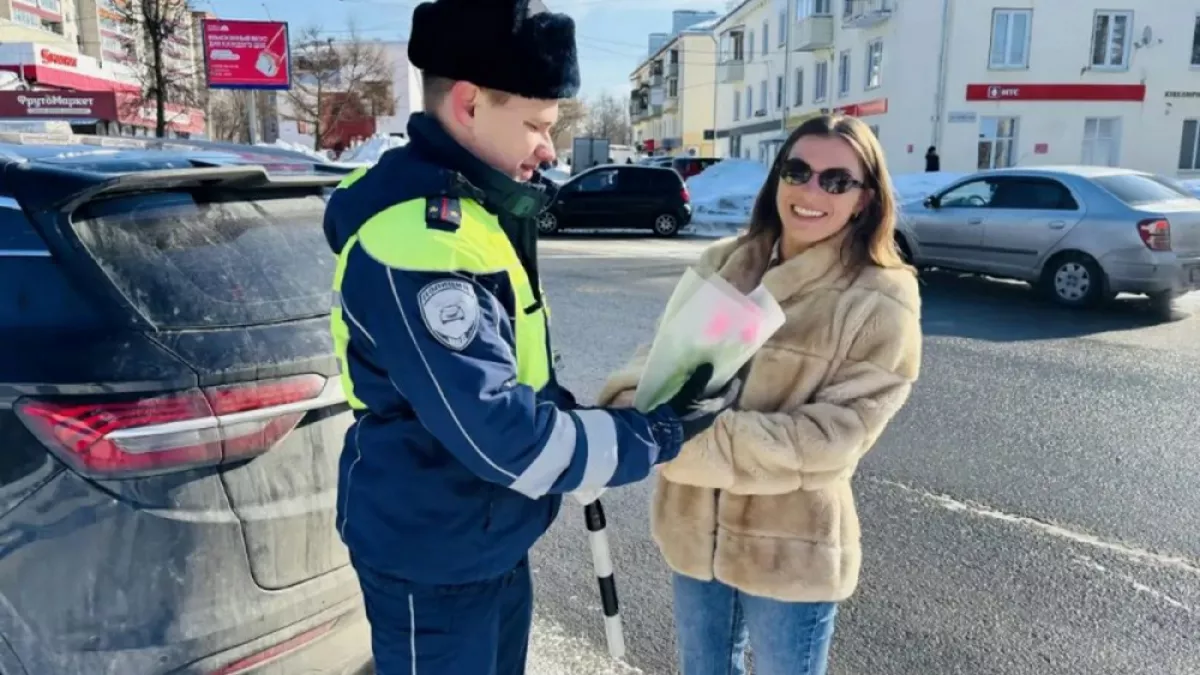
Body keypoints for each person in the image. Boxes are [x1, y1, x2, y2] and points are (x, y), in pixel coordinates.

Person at [322, 1, 737, 673]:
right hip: (435, 560)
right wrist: (656, 432)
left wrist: (589, 419)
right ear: (468, 104)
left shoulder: (473, 209)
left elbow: (515, 383)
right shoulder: (418, 241)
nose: (549, 147)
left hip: (482, 537)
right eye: (538, 125)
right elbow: (507, 437)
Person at [598, 114, 923, 675]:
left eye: (836, 180)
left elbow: (832, 440)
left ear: (866, 199)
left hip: (789, 548)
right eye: (797, 171)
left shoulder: (880, 299)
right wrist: (634, 405)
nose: (810, 191)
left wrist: (679, 438)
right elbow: (653, 361)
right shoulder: (727, 262)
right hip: (694, 532)